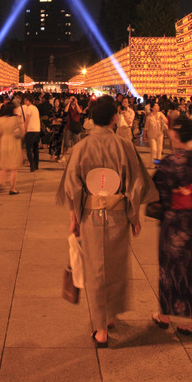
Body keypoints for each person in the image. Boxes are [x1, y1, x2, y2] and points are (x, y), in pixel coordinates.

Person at [56, 95, 150, 348]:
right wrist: (134, 216)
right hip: (118, 214)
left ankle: (100, 329)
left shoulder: (81, 148)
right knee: (116, 265)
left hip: (90, 215)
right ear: (114, 118)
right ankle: (110, 315)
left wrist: (74, 219)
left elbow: (73, 187)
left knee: (97, 268)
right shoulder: (124, 146)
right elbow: (135, 184)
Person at [151, 116, 192, 338]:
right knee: (188, 267)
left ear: (174, 134)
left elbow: (157, 192)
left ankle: (165, 315)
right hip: (190, 219)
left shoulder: (169, 162)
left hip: (172, 220)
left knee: (167, 267)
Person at [0, 100, 24, 194]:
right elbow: (22, 131)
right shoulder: (16, 119)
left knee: (4, 166)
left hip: (4, 143)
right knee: (13, 168)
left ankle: (0, 182)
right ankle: (12, 188)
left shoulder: (0, 120)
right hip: (14, 143)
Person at [21, 94, 41, 172]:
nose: (25, 102)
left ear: (29, 101)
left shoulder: (29, 108)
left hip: (30, 130)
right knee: (35, 149)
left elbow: (27, 120)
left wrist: (24, 129)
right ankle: (36, 165)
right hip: (37, 130)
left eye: (26, 100)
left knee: (28, 149)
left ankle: (32, 165)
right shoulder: (35, 108)